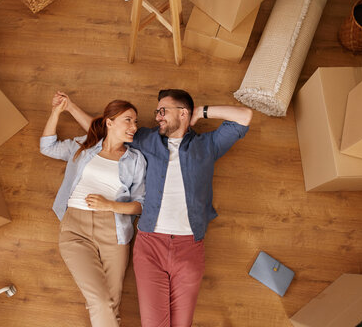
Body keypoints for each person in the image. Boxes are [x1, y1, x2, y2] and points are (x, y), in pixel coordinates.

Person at [65, 89, 252, 327]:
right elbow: (107, 129)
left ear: (183, 113)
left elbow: (244, 116)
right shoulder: (146, 139)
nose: (157, 117)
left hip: (190, 246)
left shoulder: (208, 145)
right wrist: (70, 107)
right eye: (157, 112)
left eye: (163, 111)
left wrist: (201, 112)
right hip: (150, 244)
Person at [40, 92, 147, 327]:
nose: (134, 126)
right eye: (128, 120)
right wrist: (57, 111)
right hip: (74, 228)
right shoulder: (84, 146)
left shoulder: (136, 160)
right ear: (109, 122)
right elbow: (47, 147)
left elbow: (140, 205)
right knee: (100, 301)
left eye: (135, 122)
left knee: (111, 303)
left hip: (114, 232)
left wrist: (110, 205)